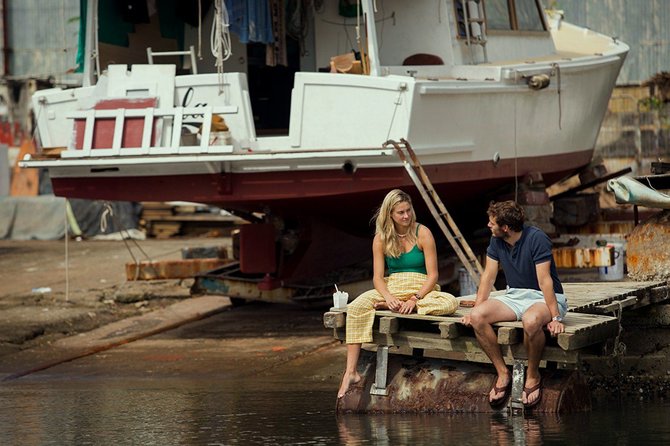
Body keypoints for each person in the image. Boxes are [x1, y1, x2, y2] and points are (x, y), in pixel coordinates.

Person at [337, 189, 459, 399]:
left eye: (408, 210)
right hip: (392, 286)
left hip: (421, 287)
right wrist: (388, 297)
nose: (406, 216)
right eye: (400, 212)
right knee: (356, 307)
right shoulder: (381, 238)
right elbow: (377, 278)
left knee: (449, 303)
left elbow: (433, 276)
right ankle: (351, 372)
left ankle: (399, 306)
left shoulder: (423, 232)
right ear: (390, 215)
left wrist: (415, 299)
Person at [462, 200, 568, 409]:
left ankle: (532, 375)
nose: (488, 225)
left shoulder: (537, 238)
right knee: (477, 317)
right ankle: (502, 373)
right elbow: (488, 277)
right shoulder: (496, 241)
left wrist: (555, 317)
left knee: (530, 321)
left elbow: (544, 281)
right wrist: (476, 308)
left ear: (506, 228)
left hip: (543, 297)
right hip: (515, 296)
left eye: (492, 223)